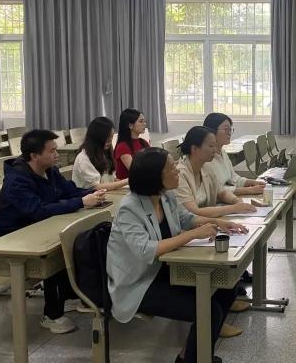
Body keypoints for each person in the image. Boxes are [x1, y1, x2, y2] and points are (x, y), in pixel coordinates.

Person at [107, 147, 243, 363]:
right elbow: (146, 250)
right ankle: (194, 359)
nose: (177, 170)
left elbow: (187, 218)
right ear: (155, 177)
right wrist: (193, 235)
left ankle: (191, 355)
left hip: (165, 270)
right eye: (172, 168)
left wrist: (218, 222)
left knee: (227, 286)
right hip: (139, 283)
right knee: (209, 310)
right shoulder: (129, 209)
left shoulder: (165, 196)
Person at [0, 130, 106, 333]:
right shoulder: (17, 180)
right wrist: (81, 202)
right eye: (52, 151)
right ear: (34, 155)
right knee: (61, 249)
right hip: (15, 239)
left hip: (41, 228)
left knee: (79, 239)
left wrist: (93, 194)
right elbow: (37, 211)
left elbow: (70, 191)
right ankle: (51, 315)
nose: (57, 154)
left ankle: (70, 295)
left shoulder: (50, 171)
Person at [175, 126, 257, 336]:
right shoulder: (181, 173)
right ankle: (214, 318)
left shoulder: (206, 168)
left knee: (234, 247)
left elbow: (221, 191)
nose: (215, 150)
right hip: (189, 231)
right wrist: (231, 210)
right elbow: (192, 211)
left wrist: (236, 201)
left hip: (207, 225)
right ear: (194, 149)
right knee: (220, 257)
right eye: (210, 146)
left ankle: (225, 302)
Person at [202, 113, 265, 196]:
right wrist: (247, 190)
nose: (229, 133)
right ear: (212, 131)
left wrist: (253, 182)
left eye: (230, 129)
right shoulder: (205, 158)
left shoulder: (223, 153)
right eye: (226, 129)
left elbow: (233, 177)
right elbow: (216, 190)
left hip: (227, 196)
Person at [72, 116, 128, 191]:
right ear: (97, 137)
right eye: (107, 137)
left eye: (111, 137)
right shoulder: (83, 158)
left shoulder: (105, 153)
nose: (110, 141)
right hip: (90, 196)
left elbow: (110, 179)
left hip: (107, 194)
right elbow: (96, 187)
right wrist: (127, 181)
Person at [114, 108, 149, 180]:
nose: (145, 124)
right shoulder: (122, 146)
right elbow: (136, 171)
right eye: (141, 121)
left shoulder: (143, 142)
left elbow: (152, 162)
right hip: (127, 185)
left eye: (144, 121)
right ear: (130, 125)